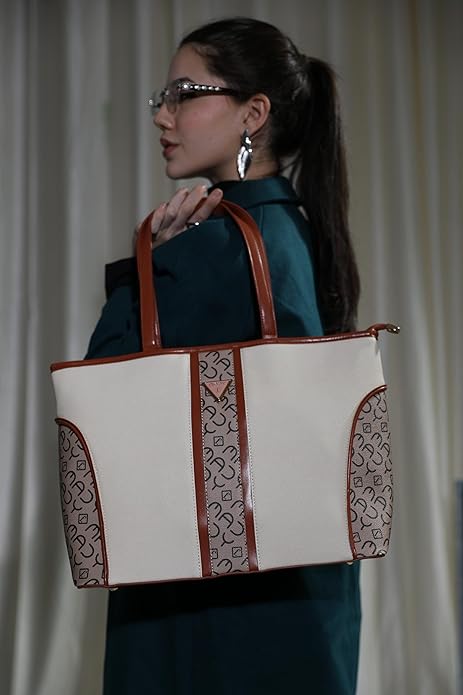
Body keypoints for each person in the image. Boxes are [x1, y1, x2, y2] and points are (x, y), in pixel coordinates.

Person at [85, 17, 361, 695]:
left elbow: (109, 382)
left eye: (184, 94)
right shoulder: (289, 225)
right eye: (162, 97)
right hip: (293, 583)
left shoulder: (217, 244)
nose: (163, 115)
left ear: (252, 114)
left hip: (208, 596)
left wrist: (147, 271)